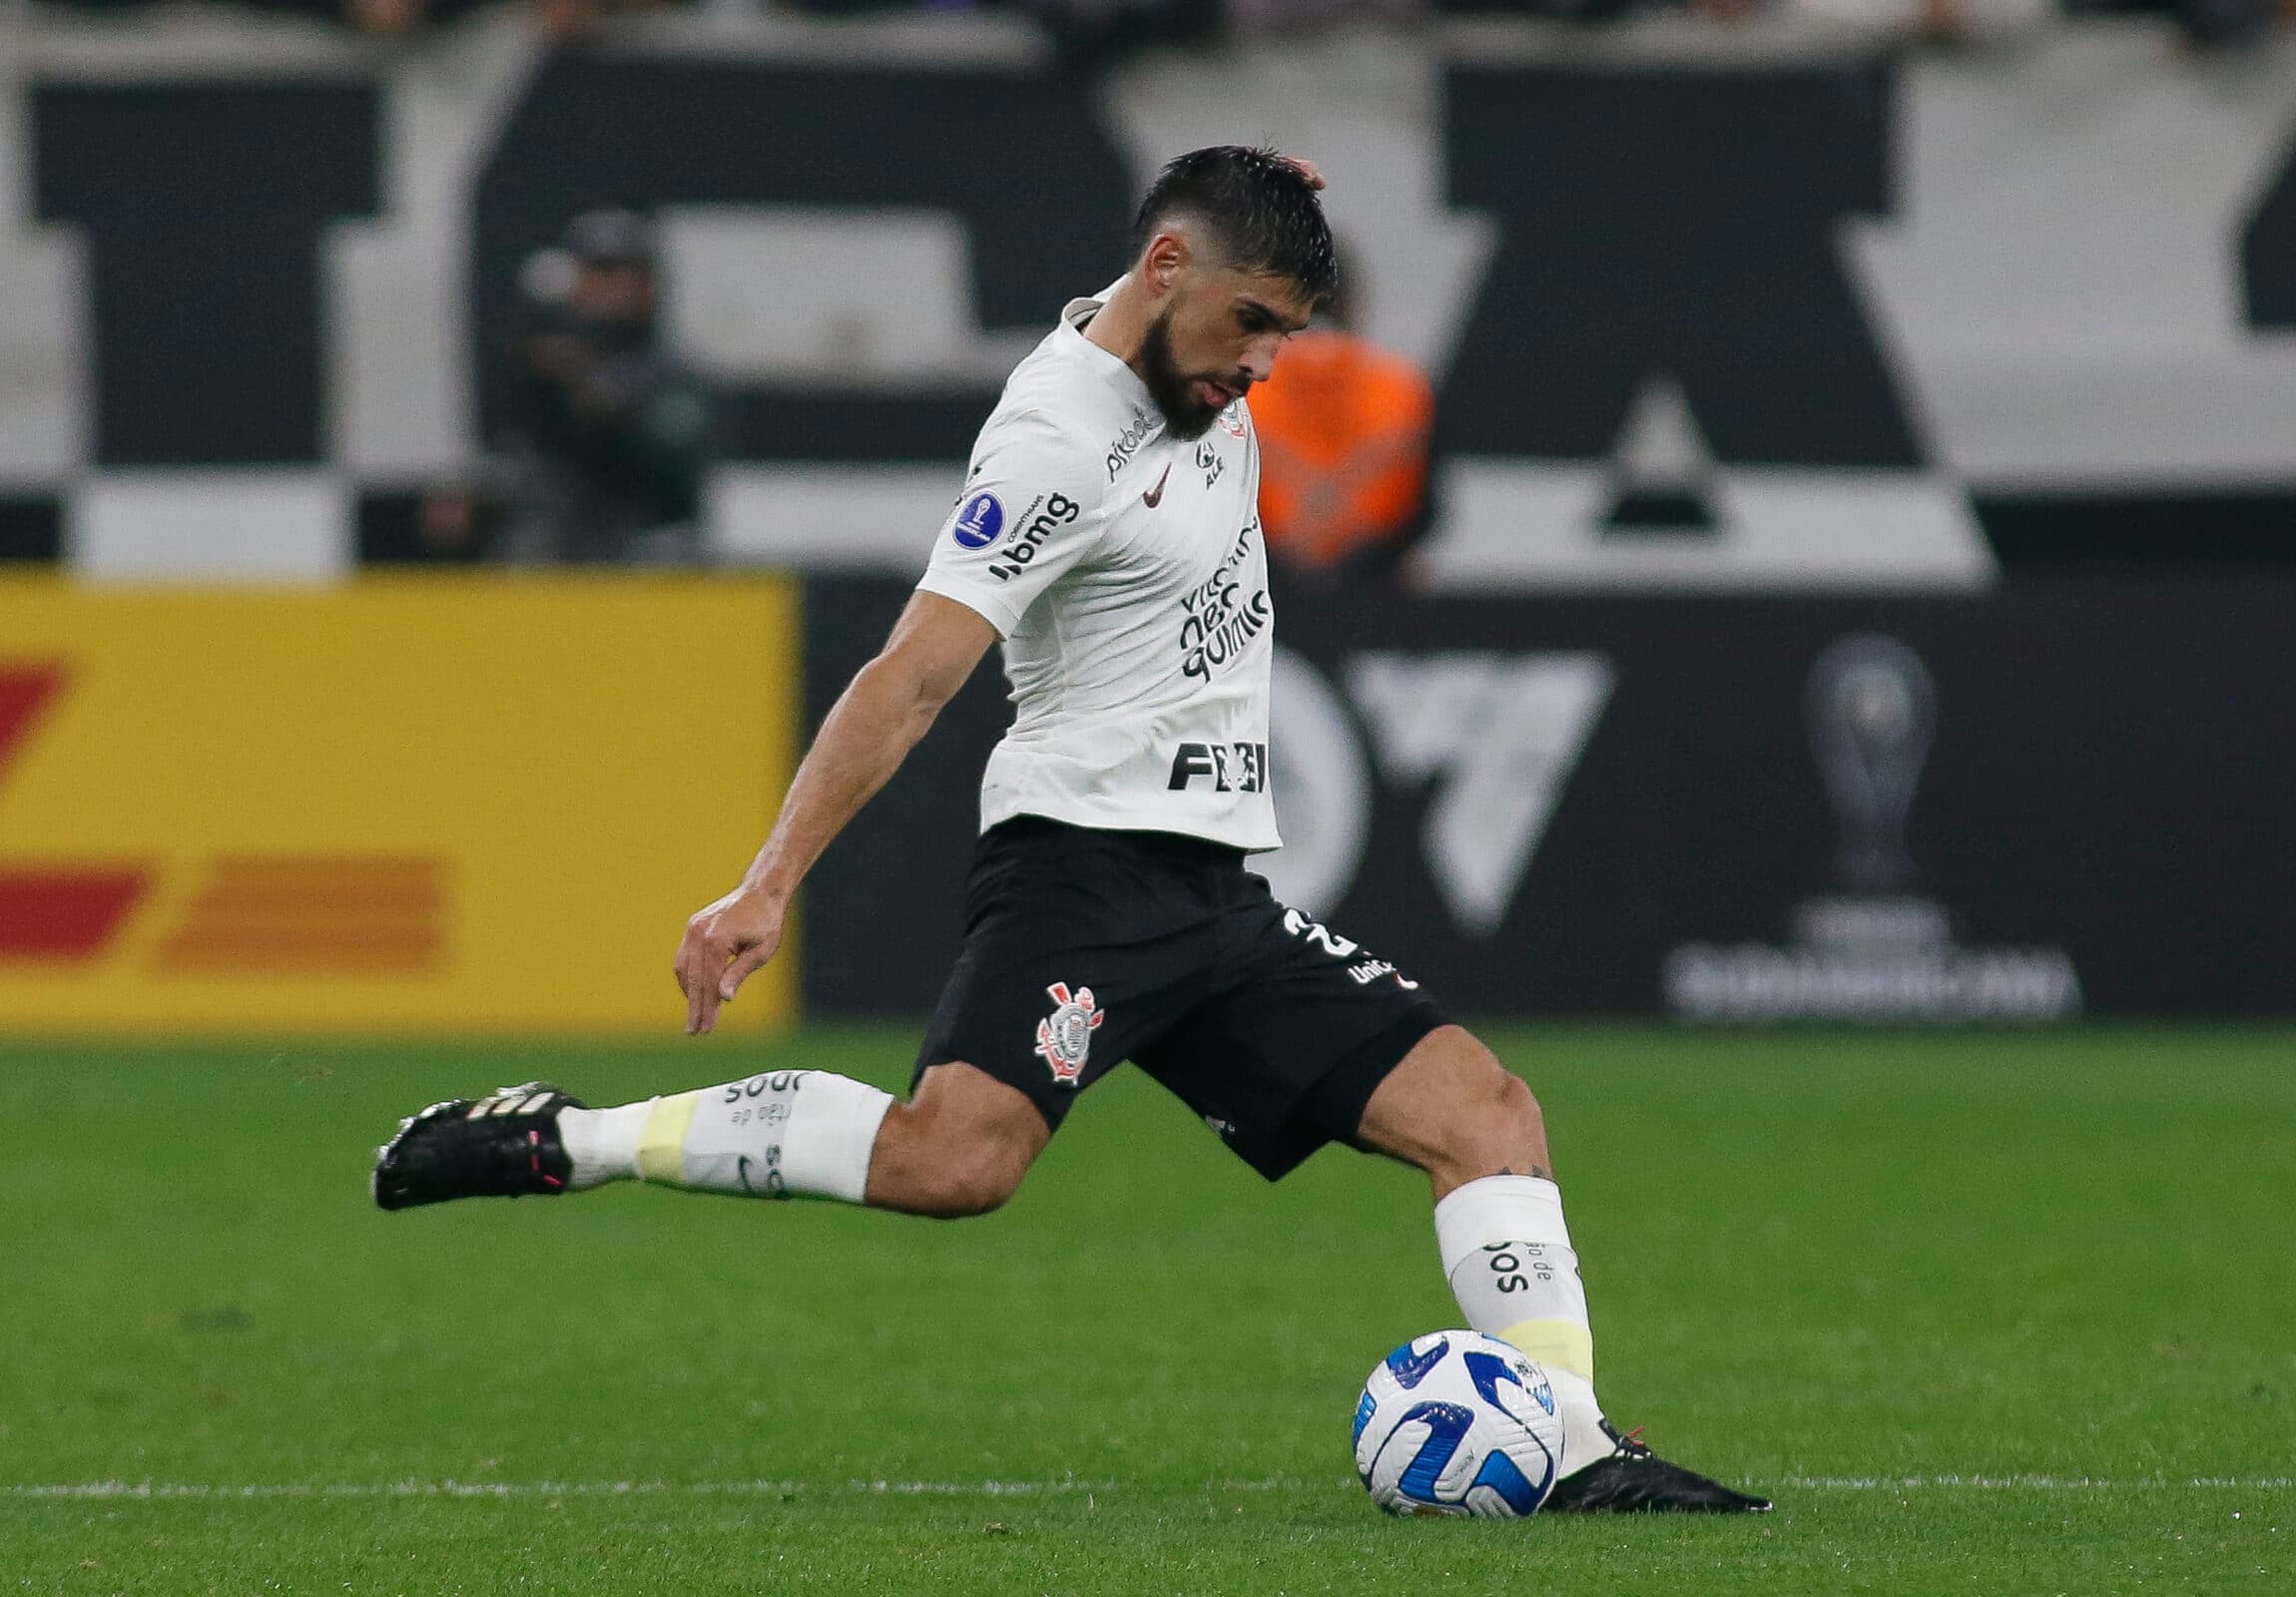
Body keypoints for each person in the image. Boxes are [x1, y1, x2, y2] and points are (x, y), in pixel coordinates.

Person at [371, 147, 1767, 1516]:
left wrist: (1260, 189)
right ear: (1167, 270)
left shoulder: (1188, 348)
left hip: (1215, 895)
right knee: (952, 1163)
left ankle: (1573, 1445)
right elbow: (911, 677)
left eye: (1286, 334)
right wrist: (767, 883)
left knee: (1486, 1114)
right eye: (1252, 323)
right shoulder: (1056, 440)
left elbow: (1211, 236)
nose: (1264, 365)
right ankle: (571, 1138)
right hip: (1083, 875)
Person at [496, 209, 713, 566]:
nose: (612, 287)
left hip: (645, 534)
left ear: (648, 284)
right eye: (598, 272)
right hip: (565, 537)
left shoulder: (673, 374)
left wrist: (609, 400)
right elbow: (522, 450)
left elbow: (677, 462)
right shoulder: (541, 362)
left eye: (625, 272)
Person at [1246, 246, 1435, 586]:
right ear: (1352, 306)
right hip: (1373, 586)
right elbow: (1424, 509)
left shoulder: (1240, 389)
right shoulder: (1401, 385)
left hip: (1262, 588)